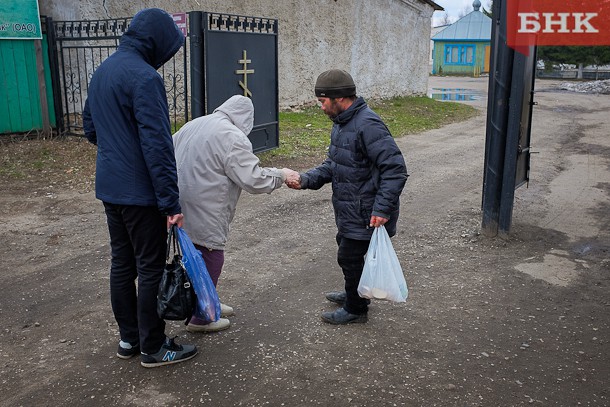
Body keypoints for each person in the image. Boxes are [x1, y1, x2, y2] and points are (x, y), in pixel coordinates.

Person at [82, 8, 197, 367]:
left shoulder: (104, 70)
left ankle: (129, 340)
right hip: (140, 192)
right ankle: (153, 346)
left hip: (110, 188)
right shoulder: (145, 78)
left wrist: (117, 148)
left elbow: (90, 127)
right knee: (149, 268)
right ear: (156, 41)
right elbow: (158, 145)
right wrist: (170, 202)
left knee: (122, 264)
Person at [284, 69, 409, 325]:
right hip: (350, 209)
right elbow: (334, 163)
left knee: (349, 256)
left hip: (368, 211)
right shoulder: (343, 124)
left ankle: (356, 309)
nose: (321, 107)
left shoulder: (367, 124)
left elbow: (395, 169)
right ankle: (355, 293)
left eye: (322, 101)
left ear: (339, 98)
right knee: (347, 251)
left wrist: (382, 209)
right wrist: (307, 179)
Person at [173, 95, 297, 333]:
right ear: (246, 118)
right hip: (207, 202)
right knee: (210, 252)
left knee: (193, 253)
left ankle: (207, 301)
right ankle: (201, 317)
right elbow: (252, 179)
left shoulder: (194, 124)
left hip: (179, 199)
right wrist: (280, 174)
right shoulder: (231, 136)